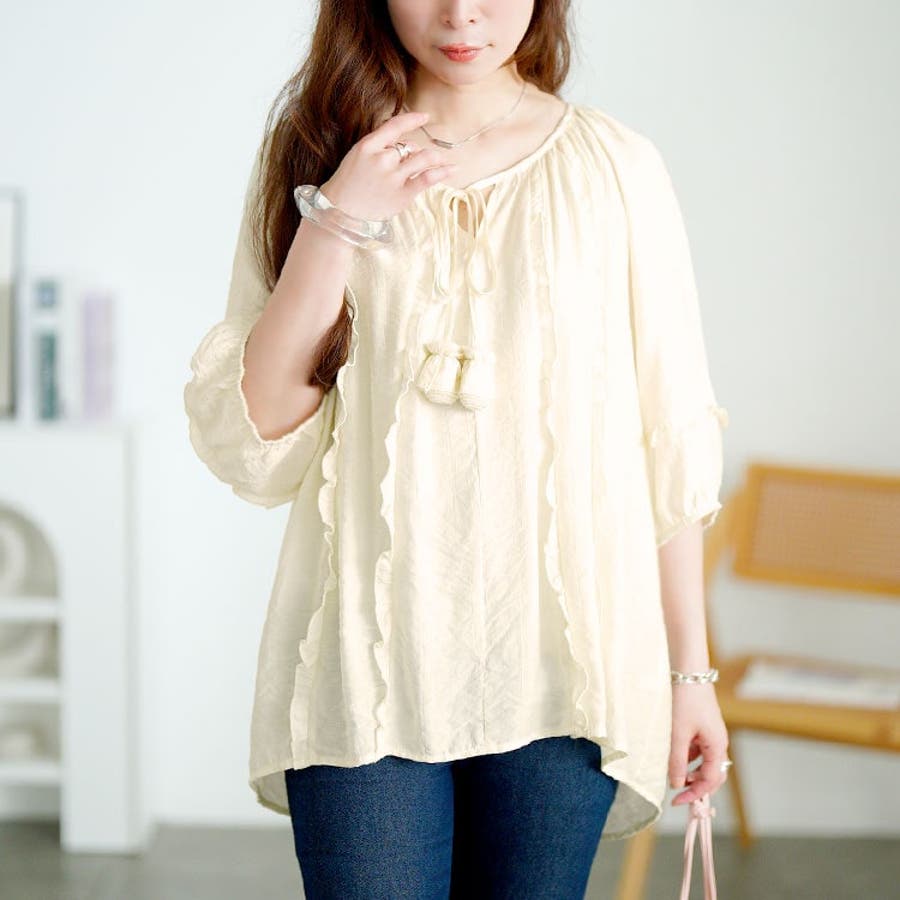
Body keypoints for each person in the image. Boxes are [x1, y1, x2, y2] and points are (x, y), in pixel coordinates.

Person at [183, 1, 733, 897]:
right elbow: (259, 433)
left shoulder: (616, 166)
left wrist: (689, 673)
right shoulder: (318, 150)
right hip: (367, 654)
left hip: (569, 664)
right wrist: (336, 220)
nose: (462, 13)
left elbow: (666, 436)